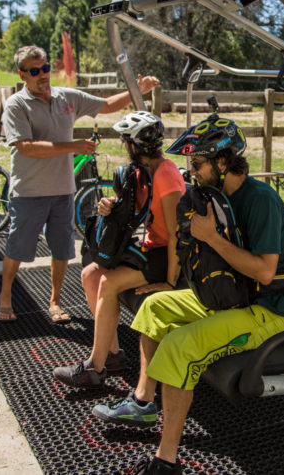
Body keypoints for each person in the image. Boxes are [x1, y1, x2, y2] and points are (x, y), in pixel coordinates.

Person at [91, 118, 284, 475]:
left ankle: (166, 460)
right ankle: (143, 402)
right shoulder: (217, 197)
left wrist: (211, 237)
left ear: (223, 162)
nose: (191, 173)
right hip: (233, 296)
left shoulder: (260, 200)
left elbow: (266, 272)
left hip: (268, 309)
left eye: (197, 164)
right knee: (155, 308)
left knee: (180, 346)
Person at [0, 45, 160, 323]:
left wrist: (138, 91)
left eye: (45, 68)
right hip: (29, 191)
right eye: (35, 71)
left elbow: (106, 105)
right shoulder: (16, 104)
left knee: (62, 249)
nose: (42, 75)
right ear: (22, 74)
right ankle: (6, 294)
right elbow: (24, 147)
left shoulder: (66, 97)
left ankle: (55, 301)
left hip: (63, 190)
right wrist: (70, 146)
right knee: (18, 248)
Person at [53, 111, 185, 387]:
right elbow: (135, 211)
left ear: (134, 145)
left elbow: (176, 235)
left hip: (171, 255)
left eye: (126, 142)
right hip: (152, 247)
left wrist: (170, 283)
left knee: (109, 282)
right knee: (90, 274)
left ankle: (94, 368)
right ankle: (111, 354)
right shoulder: (141, 173)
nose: (125, 148)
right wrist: (110, 205)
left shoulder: (166, 175)